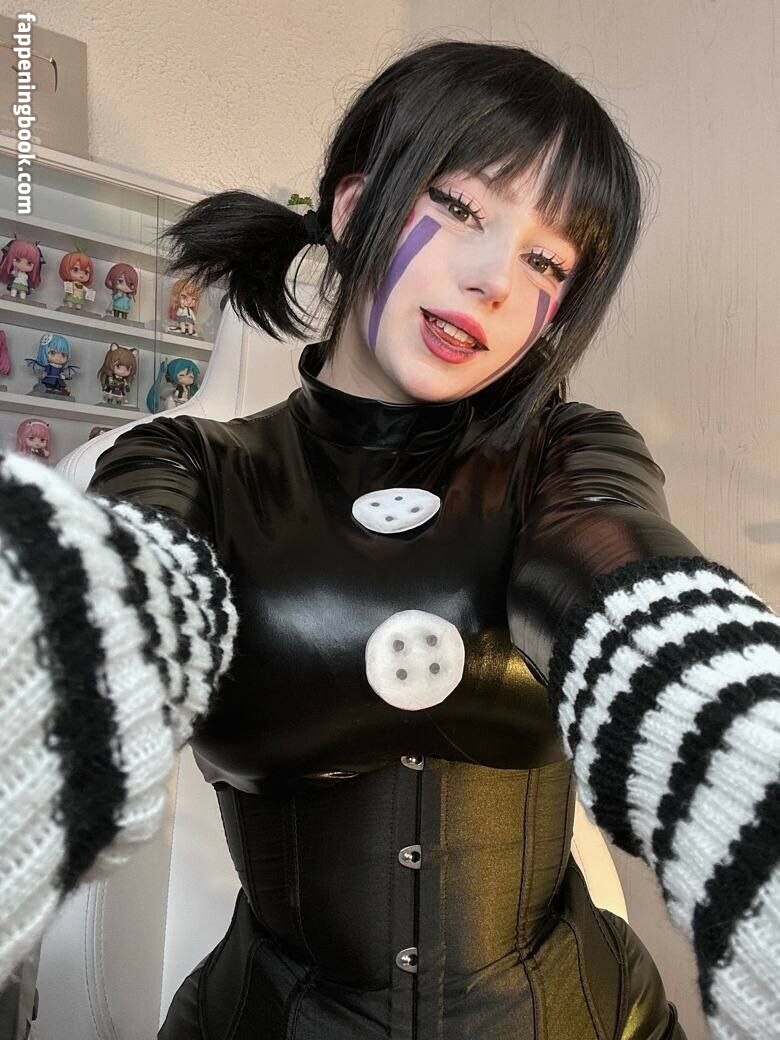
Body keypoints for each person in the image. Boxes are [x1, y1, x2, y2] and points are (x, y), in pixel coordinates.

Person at [0, 39, 777, 1040]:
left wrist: (750, 773)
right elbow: (122, 600)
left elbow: (633, 600)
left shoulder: (565, 456)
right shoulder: (190, 462)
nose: (496, 280)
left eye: (546, 260)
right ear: (356, 204)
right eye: (460, 208)